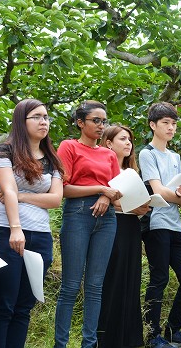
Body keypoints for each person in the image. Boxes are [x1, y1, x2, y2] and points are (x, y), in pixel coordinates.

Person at [0, 99, 64, 348]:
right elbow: (6, 191)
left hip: (40, 235)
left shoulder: (52, 159)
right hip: (6, 231)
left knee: (24, 305)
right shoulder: (5, 151)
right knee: (4, 304)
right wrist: (15, 228)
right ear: (22, 121)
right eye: (37, 117)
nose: (44, 122)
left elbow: (55, 199)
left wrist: (22, 195)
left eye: (46, 117)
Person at [54, 100, 122, 348]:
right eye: (96, 120)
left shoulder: (109, 154)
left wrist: (106, 195)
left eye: (104, 121)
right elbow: (63, 189)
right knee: (70, 286)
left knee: (95, 286)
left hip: (107, 219)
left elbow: (118, 187)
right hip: (78, 214)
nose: (101, 125)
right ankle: (60, 344)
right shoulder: (69, 146)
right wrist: (101, 189)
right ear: (80, 123)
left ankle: (89, 343)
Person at [139, 102, 181, 348]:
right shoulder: (148, 154)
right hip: (156, 224)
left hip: (175, 225)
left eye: (174, 123)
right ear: (153, 125)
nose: (171, 127)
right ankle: (152, 335)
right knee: (159, 279)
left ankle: (174, 331)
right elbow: (158, 190)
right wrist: (179, 196)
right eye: (165, 123)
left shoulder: (175, 156)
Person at [97, 125, 150, 348]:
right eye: (123, 139)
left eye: (130, 139)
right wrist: (127, 206)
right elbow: (106, 203)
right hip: (111, 227)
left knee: (131, 279)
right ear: (108, 143)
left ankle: (129, 338)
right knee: (113, 279)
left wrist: (137, 207)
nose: (129, 143)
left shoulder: (132, 172)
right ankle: (106, 339)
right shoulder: (101, 168)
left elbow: (138, 204)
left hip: (131, 229)